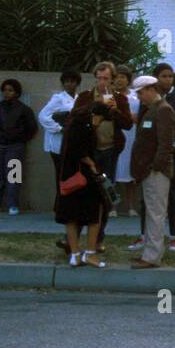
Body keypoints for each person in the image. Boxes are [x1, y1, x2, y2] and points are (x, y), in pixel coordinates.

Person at [71, 62, 134, 250]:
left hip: (110, 152)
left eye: (106, 78)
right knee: (83, 194)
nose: (102, 82)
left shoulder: (119, 99)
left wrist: (115, 111)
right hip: (89, 153)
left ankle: (98, 239)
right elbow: (74, 117)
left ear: (112, 80)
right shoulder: (85, 97)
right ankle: (72, 238)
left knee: (105, 195)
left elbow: (128, 124)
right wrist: (95, 106)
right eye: (99, 78)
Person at [128, 75, 175, 270]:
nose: (139, 97)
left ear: (150, 89)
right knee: (152, 212)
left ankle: (152, 256)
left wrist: (155, 167)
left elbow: (165, 145)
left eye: (140, 93)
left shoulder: (163, 110)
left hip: (156, 171)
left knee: (156, 213)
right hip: (150, 170)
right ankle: (149, 252)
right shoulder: (152, 109)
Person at [55, 102, 109, 268]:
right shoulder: (86, 128)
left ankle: (75, 254)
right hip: (85, 178)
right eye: (101, 120)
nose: (100, 124)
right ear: (96, 115)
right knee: (95, 214)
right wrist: (92, 165)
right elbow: (81, 152)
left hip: (68, 177)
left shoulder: (72, 124)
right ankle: (90, 253)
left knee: (71, 217)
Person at [145, 63, 175, 251]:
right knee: (148, 197)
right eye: (163, 76)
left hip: (171, 154)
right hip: (150, 154)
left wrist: (173, 146)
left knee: (174, 194)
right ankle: (145, 235)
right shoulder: (149, 97)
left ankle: (174, 236)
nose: (167, 79)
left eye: (170, 76)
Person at [0, 78, 37, 216]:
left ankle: (13, 205)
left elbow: (32, 128)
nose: (6, 93)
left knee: (14, 176)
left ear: (17, 93)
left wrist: (20, 140)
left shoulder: (24, 109)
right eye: (5, 90)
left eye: (10, 90)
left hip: (15, 147)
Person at [38, 69, 80, 207]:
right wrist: (59, 128)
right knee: (61, 174)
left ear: (77, 83)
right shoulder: (58, 98)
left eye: (72, 81)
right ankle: (60, 205)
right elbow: (43, 116)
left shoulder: (79, 99)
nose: (69, 84)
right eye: (66, 81)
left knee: (70, 174)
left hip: (71, 142)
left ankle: (68, 204)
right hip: (56, 143)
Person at [113, 65, 140, 219]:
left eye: (123, 77)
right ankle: (112, 207)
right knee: (112, 173)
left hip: (132, 139)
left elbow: (138, 117)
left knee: (131, 175)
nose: (119, 80)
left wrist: (124, 115)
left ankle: (131, 207)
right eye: (116, 77)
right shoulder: (108, 95)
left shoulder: (136, 96)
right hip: (114, 138)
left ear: (128, 80)